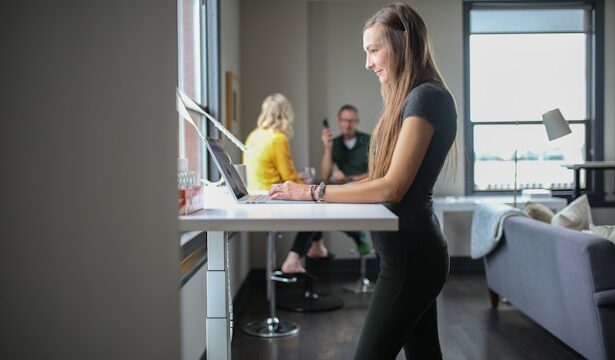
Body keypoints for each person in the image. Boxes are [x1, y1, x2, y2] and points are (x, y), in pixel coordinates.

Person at [268, 3, 457, 359]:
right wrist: (310, 192)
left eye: (374, 50)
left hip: (412, 259)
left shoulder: (426, 98)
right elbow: (380, 179)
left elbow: (392, 187)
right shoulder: (416, 98)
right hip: (409, 256)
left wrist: (311, 192)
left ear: (403, 45)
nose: (368, 62)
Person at [242, 94, 328, 273]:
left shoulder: (254, 135)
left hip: (255, 194)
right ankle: (295, 257)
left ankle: (316, 246)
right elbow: (288, 176)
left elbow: (269, 171)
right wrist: (303, 183)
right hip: (271, 197)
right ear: (286, 114)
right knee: (317, 202)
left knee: (312, 194)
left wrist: (297, 178)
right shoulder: (278, 138)